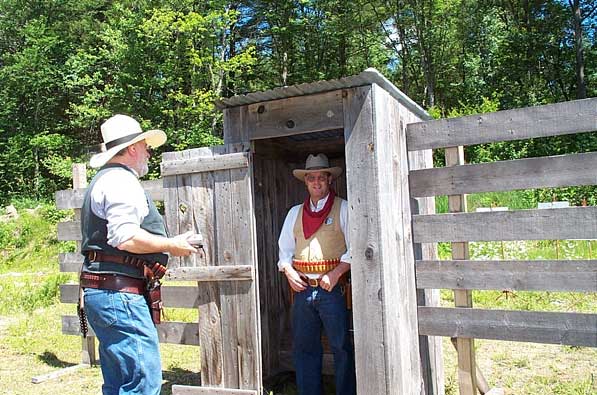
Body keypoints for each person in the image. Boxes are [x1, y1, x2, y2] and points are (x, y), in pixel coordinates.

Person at [79, 114, 197, 395]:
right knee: (143, 383)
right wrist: (171, 244)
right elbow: (125, 237)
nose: (148, 151)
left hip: (107, 294)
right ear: (132, 149)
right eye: (145, 146)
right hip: (119, 297)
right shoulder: (122, 181)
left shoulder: (105, 179)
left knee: (119, 382)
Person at [277, 153, 356, 395]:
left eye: (322, 177)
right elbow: (284, 251)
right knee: (304, 347)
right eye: (312, 178)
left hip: (334, 290)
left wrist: (336, 274)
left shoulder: (344, 208)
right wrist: (289, 272)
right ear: (306, 182)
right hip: (302, 291)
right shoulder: (294, 213)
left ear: (330, 180)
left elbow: (356, 248)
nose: (317, 182)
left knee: (341, 347)